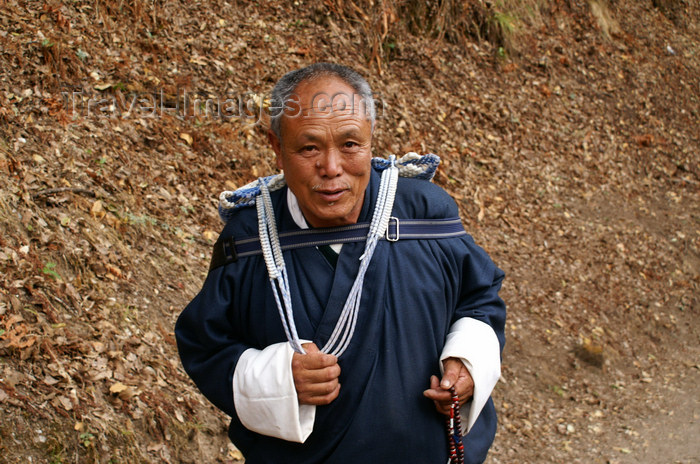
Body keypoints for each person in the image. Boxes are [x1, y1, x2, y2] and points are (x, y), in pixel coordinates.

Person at [175, 63, 506, 464]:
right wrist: (279, 380)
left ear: (370, 139)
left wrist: (467, 362)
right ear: (277, 148)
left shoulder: (424, 215)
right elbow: (205, 346)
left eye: (350, 144)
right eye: (309, 147)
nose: (331, 168)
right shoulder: (250, 239)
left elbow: (479, 300)